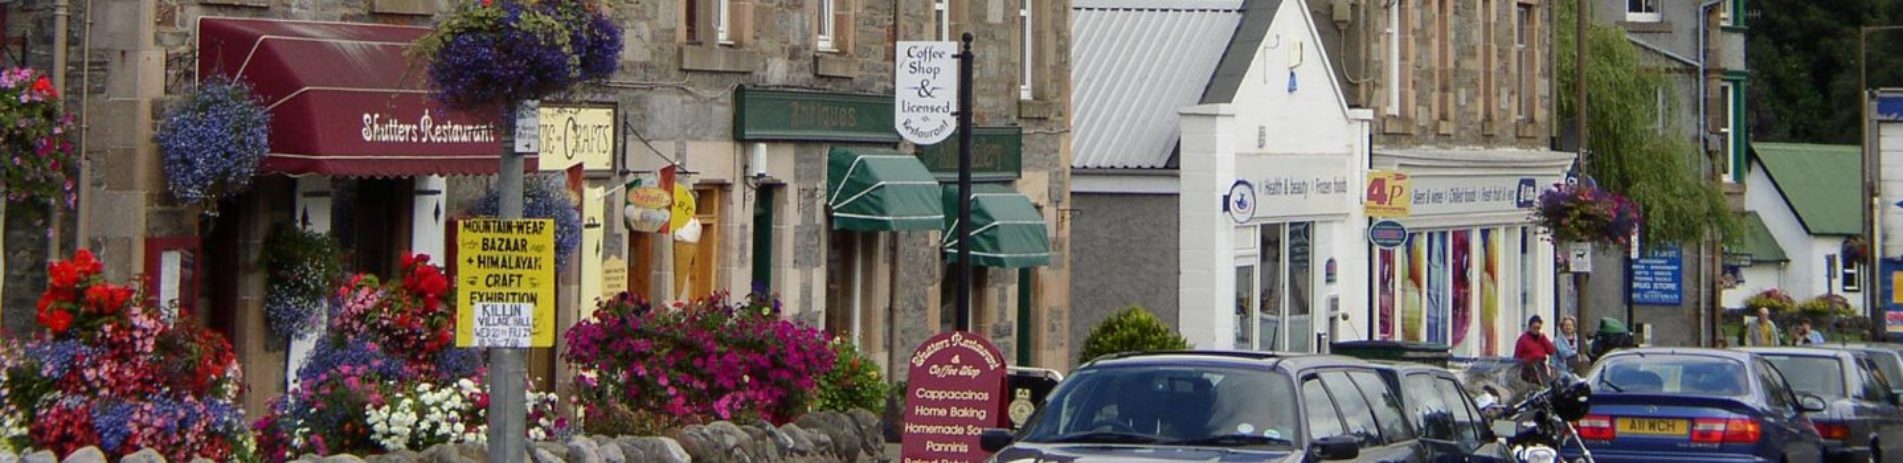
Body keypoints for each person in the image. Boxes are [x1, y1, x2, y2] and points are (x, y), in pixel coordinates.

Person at [1515, 315, 1557, 383]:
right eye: (1534, 328)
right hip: (1528, 368)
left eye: (1538, 328)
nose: (1536, 330)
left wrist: (1544, 339)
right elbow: (1517, 356)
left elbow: (1551, 351)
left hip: (1541, 367)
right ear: (1530, 327)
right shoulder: (1523, 339)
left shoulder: (1541, 338)